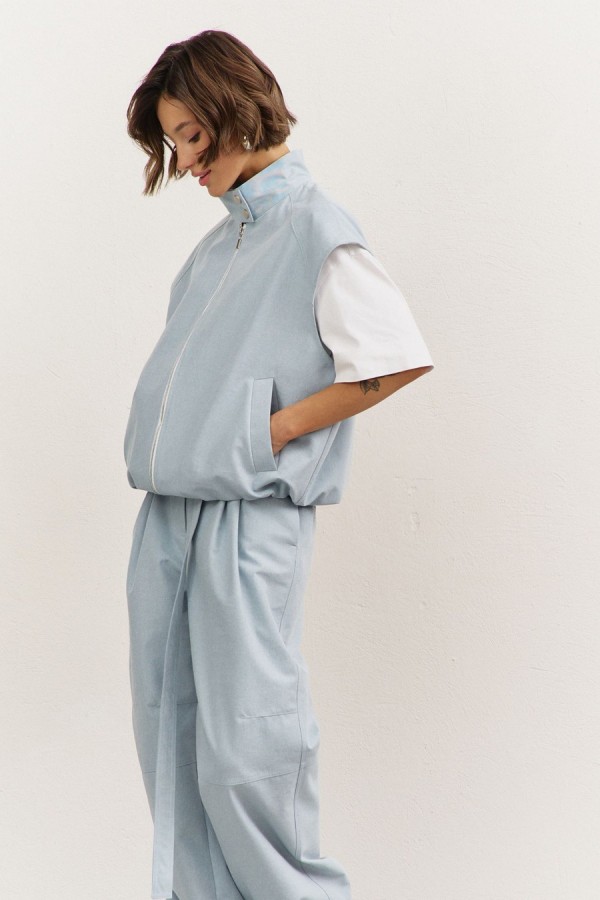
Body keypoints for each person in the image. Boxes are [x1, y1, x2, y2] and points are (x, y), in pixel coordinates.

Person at [123, 28, 434, 900]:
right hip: (167, 519)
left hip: (248, 518)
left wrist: (273, 432)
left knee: (246, 752)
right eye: (174, 144)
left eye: (192, 135)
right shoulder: (215, 249)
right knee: (170, 742)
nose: (187, 162)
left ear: (235, 108)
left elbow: (394, 357)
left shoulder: (314, 226)